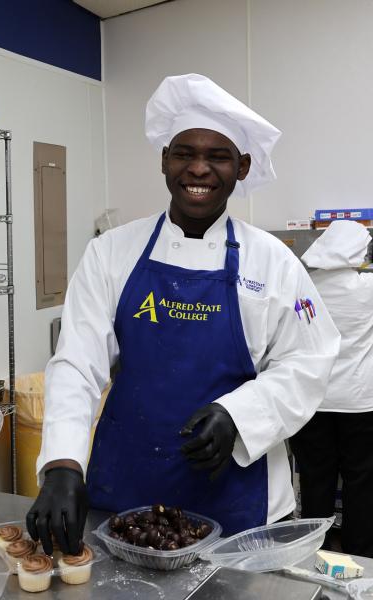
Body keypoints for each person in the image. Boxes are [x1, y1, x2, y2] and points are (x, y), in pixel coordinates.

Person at [26, 73, 341, 555]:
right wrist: (63, 463)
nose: (198, 169)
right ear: (164, 161)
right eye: (184, 153)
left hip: (236, 496)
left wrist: (241, 414)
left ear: (241, 166)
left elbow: (311, 360)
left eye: (217, 157)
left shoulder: (272, 261)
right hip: (126, 489)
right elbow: (76, 362)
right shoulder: (112, 252)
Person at [292, 220, 373, 557]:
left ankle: (315, 552)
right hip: (360, 402)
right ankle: (360, 554)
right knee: (362, 482)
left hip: (313, 401)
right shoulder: (367, 287)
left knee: (316, 479)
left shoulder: (304, 288)